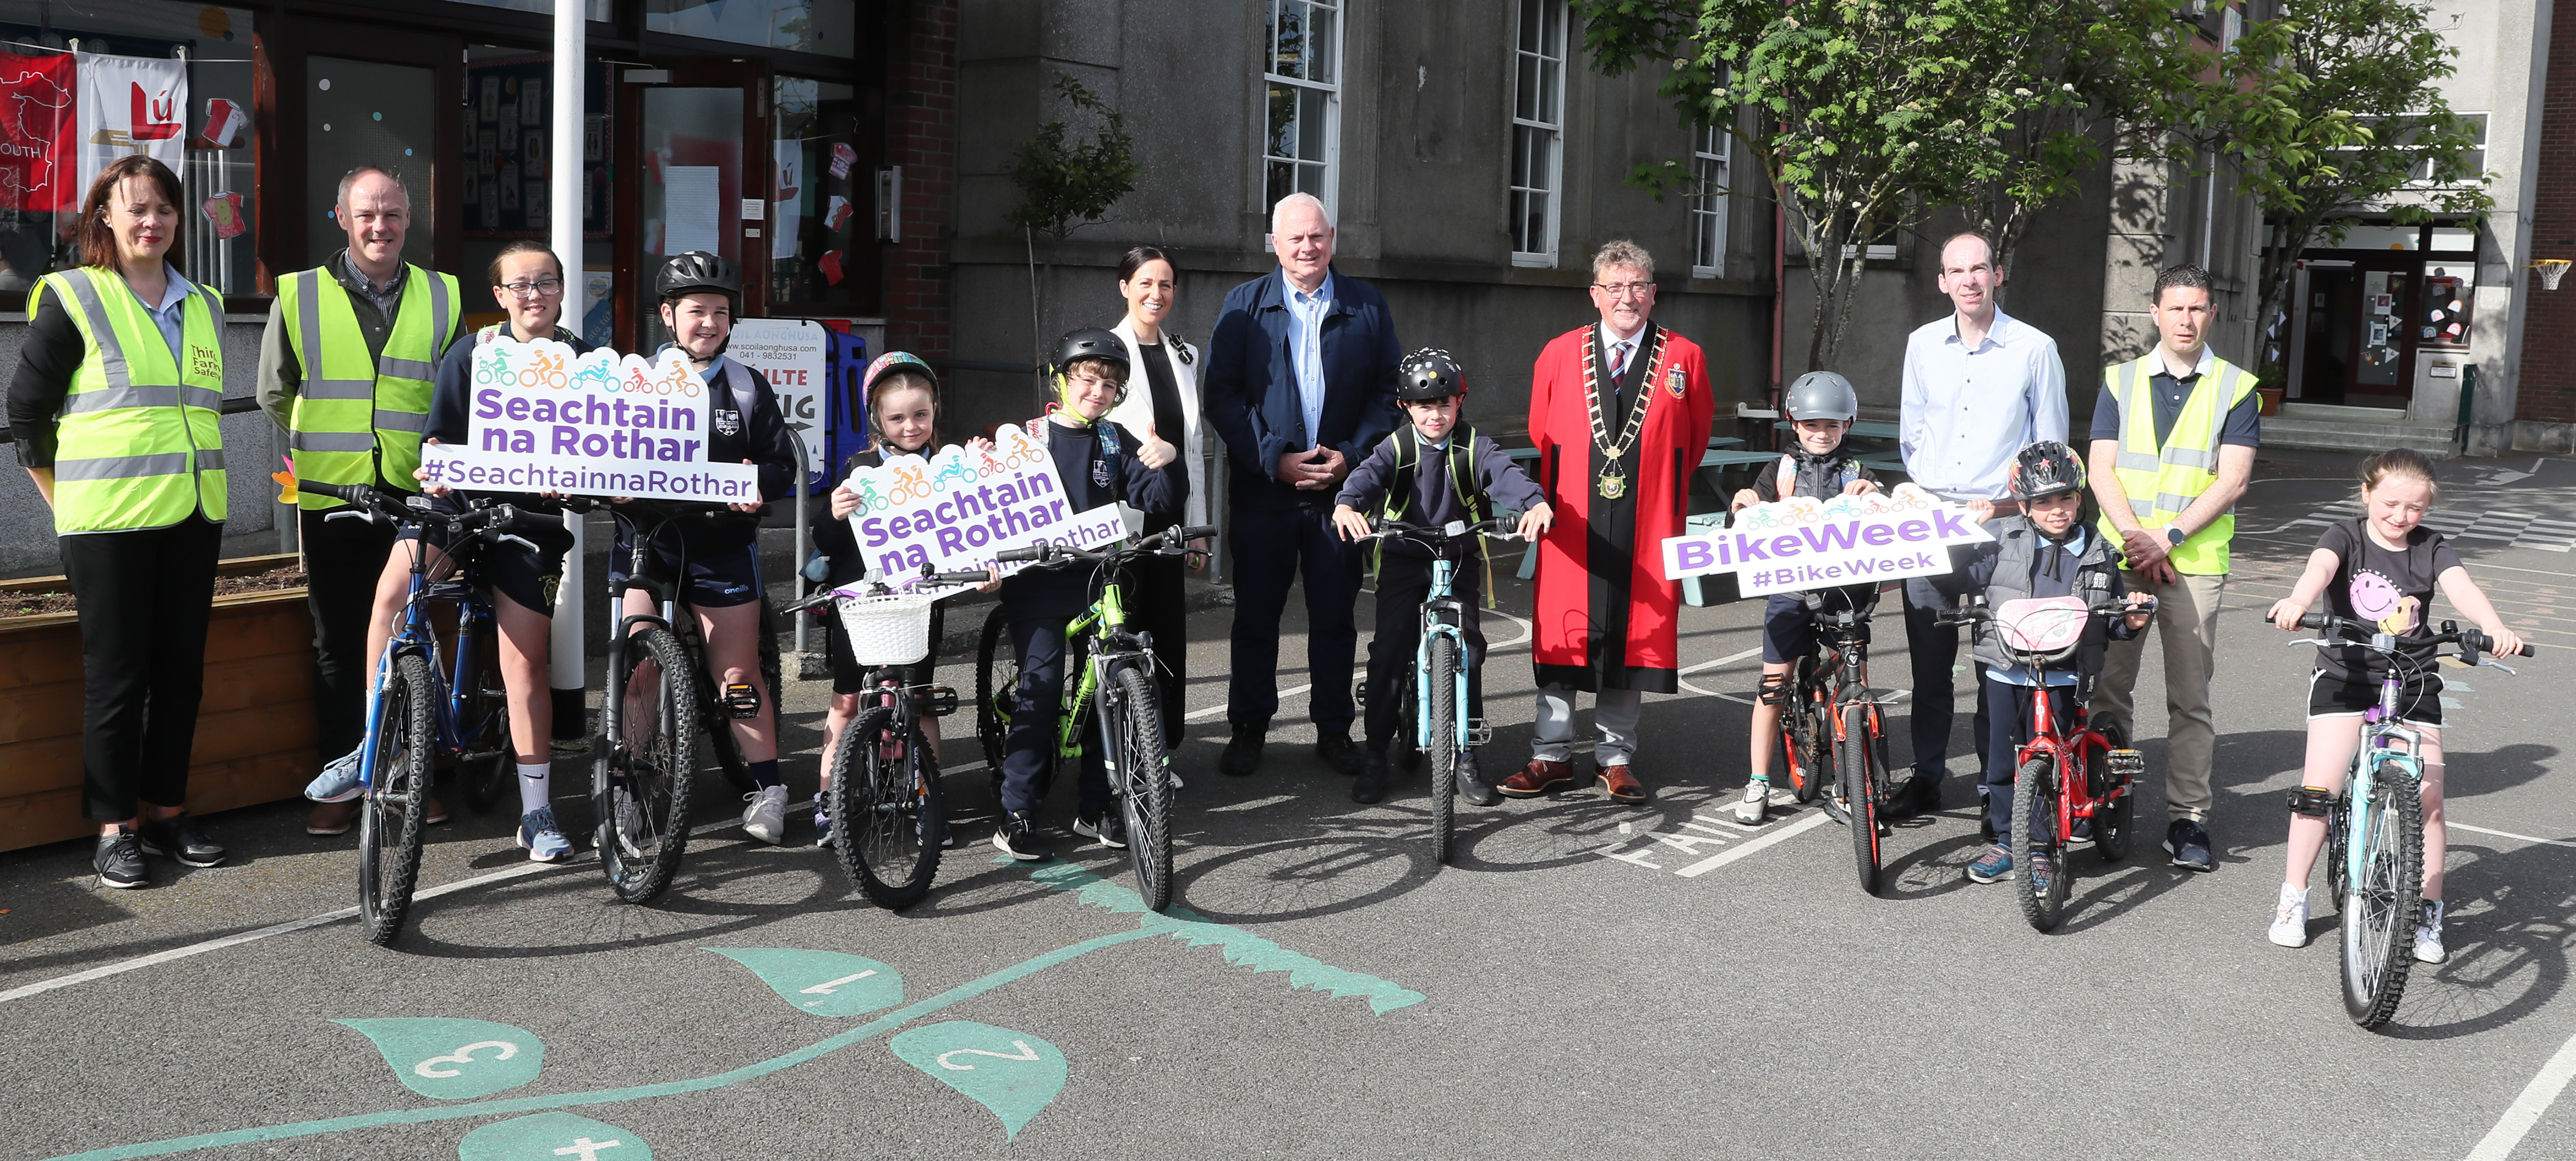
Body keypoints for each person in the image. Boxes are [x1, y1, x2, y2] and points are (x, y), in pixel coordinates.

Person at [300, 241, 583, 861]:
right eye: (520, 285)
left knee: (523, 662)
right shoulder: (471, 355)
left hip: (528, 521)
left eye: (545, 283)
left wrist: (579, 478)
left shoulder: (586, 363)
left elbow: (604, 454)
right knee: (393, 593)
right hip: (457, 509)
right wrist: (435, 468)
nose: (533, 295)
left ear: (563, 291)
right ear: (500, 296)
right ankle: (373, 745)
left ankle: (535, 811)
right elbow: (438, 438)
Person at [6, 157, 229, 887]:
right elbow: (26, 415)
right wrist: (61, 499)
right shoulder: (75, 296)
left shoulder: (204, 302)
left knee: (181, 676)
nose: (150, 221)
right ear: (104, 214)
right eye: (134, 208)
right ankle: (114, 829)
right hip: (106, 523)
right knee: (117, 678)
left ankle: (167, 812)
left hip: (193, 515)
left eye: (163, 208)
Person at [259, 166, 464, 837]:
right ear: (341, 219)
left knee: (420, 640)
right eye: (367, 215)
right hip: (332, 492)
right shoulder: (296, 294)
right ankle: (344, 780)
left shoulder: (444, 295)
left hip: (418, 495)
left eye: (393, 214)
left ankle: (413, 779)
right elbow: (274, 392)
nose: (381, 227)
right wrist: (326, 448)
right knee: (340, 643)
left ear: (409, 219)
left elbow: (457, 392)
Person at [2263, 449, 2522, 963]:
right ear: (2365, 494)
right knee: (2319, 791)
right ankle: (2293, 897)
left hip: (2410, 677)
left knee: (2427, 799)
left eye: (2414, 507)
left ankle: (2427, 912)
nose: (2401, 516)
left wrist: (2494, 625)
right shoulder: (2345, 535)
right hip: (2346, 674)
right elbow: (2320, 567)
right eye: (2389, 504)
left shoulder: (2430, 546)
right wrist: (2297, 600)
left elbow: (2460, 586)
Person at [1499, 239, 1716, 805]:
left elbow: (1691, 442)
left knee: (1632, 636)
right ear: (1595, 295)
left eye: (1638, 285)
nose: (1628, 297)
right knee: (1563, 634)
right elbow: (1541, 432)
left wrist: (1655, 485)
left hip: (1646, 524)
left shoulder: (1684, 356)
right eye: (1615, 286)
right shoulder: (1557, 353)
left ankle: (1615, 758)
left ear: (1653, 292)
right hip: (1572, 523)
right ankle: (1551, 755)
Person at [1200, 192, 1402, 781]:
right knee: (1256, 616)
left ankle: (1335, 730)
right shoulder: (1243, 305)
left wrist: (1351, 458)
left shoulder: (1365, 306)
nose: (1306, 247)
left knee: (1335, 616)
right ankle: (1247, 727)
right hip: (1265, 493)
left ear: (1332, 237)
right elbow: (1223, 396)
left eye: (1315, 236)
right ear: (1274, 243)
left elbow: (1389, 393)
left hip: (1340, 498)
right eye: (1294, 238)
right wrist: (1275, 459)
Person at [615, 251, 801, 842]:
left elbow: (780, 466)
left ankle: (767, 786)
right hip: (648, 544)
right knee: (639, 668)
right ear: (668, 316)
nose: (709, 323)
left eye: (720, 313)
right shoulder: (632, 381)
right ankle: (626, 784)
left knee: (738, 674)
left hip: (722, 546)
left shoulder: (746, 386)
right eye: (696, 311)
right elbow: (595, 451)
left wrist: (757, 486)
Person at [1889, 231, 2068, 823]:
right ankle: (1927, 776)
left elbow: (2049, 447)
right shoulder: (1920, 345)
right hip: (1935, 525)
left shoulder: (2034, 348)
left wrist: (2007, 509)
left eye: (1978, 269)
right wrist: (1932, 495)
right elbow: (1911, 434)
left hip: (2005, 528)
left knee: (2001, 667)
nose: (1968, 279)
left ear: (1996, 275)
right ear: (1942, 281)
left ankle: (2001, 791)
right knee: (1928, 667)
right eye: (1955, 271)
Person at [2084, 264, 2257, 874]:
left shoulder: (2235, 387)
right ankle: (2110, 796)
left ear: (2212, 314)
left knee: (2188, 699)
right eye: (2174, 308)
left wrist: (2168, 537)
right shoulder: (2120, 380)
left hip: (2191, 562)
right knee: (2108, 689)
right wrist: (2136, 540)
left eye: (2197, 308)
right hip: (2123, 558)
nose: (2185, 319)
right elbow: (2099, 467)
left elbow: (2232, 479)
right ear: (2153, 313)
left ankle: (2187, 819)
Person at [990, 328, 1182, 859]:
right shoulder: (1023, 439)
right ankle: (1018, 812)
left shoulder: (1116, 439)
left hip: (1101, 581)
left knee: (1117, 681)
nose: (1098, 391)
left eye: (1111, 384)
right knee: (1043, 687)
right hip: (1038, 586)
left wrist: (1166, 458)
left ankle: (1097, 804)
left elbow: (1157, 498)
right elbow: (987, 506)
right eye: (1088, 378)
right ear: (1060, 379)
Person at [1330, 348, 1551, 807]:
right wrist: (1347, 503)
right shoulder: (1398, 445)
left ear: (1460, 403)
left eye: (1446, 404)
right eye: (1425, 406)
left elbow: (1503, 474)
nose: (1436, 414)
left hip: (1457, 556)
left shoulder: (1474, 445)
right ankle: (1375, 753)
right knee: (1389, 650)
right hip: (1403, 555)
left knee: (1467, 651)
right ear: (1405, 408)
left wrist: (1533, 501)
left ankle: (1466, 756)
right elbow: (1367, 475)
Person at [1935, 443, 2151, 886]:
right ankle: (2006, 841)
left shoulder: (2098, 549)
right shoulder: (1999, 537)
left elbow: (2110, 617)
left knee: (2055, 753)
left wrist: (2129, 620)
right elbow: (1956, 579)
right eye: (2043, 502)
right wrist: (1963, 537)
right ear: (2023, 506)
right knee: (2001, 760)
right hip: (2007, 667)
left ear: (2079, 498)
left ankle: (2039, 846)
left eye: (2065, 498)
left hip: (2065, 670)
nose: (2056, 509)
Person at [809, 351, 976, 847]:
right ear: (878, 420)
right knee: (844, 700)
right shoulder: (859, 469)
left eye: (920, 415)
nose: (910, 426)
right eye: (897, 417)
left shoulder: (949, 469)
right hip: (859, 603)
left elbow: (973, 529)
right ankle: (827, 800)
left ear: (935, 412)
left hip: (920, 603)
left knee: (919, 699)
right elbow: (826, 541)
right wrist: (836, 513)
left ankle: (928, 797)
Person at [1727, 371, 1882, 826]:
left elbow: (1892, 515)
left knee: (1857, 685)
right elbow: (1746, 507)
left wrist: (1875, 496)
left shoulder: (1858, 472)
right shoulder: (1779, 469)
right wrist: (1740, 504)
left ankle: (1858, 778)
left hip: (1845, 593)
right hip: (1790, 590)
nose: (1821, 433)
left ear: (1847, 426)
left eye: (1832, 425)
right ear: (1793, 424)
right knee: (1772, 688)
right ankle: (1757, 780)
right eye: (1811, 424)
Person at [1105, 246, 1207, 746]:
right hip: (1123, 516)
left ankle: (1162, 748)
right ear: (1125, 287)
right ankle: (1122, 750)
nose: (1156, 293)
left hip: (1170, 516)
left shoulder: (1185, 355)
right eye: (1145, 283)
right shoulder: (1103, 354)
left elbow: (1193, 446)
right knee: (1124, 632)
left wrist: (1199, 528)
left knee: (1167, 633)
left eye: (1165, 284)